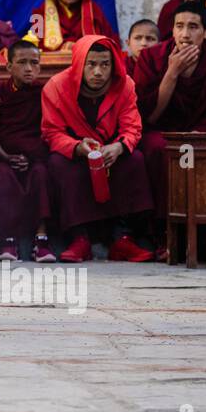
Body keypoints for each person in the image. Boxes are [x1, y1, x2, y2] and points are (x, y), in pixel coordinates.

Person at [41, 35, 154, 263]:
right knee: (57, 164)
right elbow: (51, 133)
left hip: (110, 151)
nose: (98, 72)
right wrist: (77, 147)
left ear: (113, 66)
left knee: (135, 159)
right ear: (79, 64)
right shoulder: (56, 87)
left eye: (105, 64)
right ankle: (79, 239)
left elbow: (132, 127)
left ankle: (122, 238)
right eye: (90, 64)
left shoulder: (125, 85)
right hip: (76, 151)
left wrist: (119, 147)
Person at [134, 3, 206, 249]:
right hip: (162, 133)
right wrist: (172, 73)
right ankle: (162, 234)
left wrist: (199, 134)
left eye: (193, 27)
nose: (184, 34)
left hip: (205, 134)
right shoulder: (151, 58)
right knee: (156, 149)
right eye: (179, 26)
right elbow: (150, 116)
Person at [0, 41, 54, 262]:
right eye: (22, 63)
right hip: (4, 155)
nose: (28, 69)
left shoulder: (44, 93)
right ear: (9, 67)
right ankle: (8, 240)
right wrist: (6, 157)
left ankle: (41, 239)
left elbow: (48, 130)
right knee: (3, 178)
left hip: (35, 155)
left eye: (34, 63)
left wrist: (32, 156)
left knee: (42, 175)